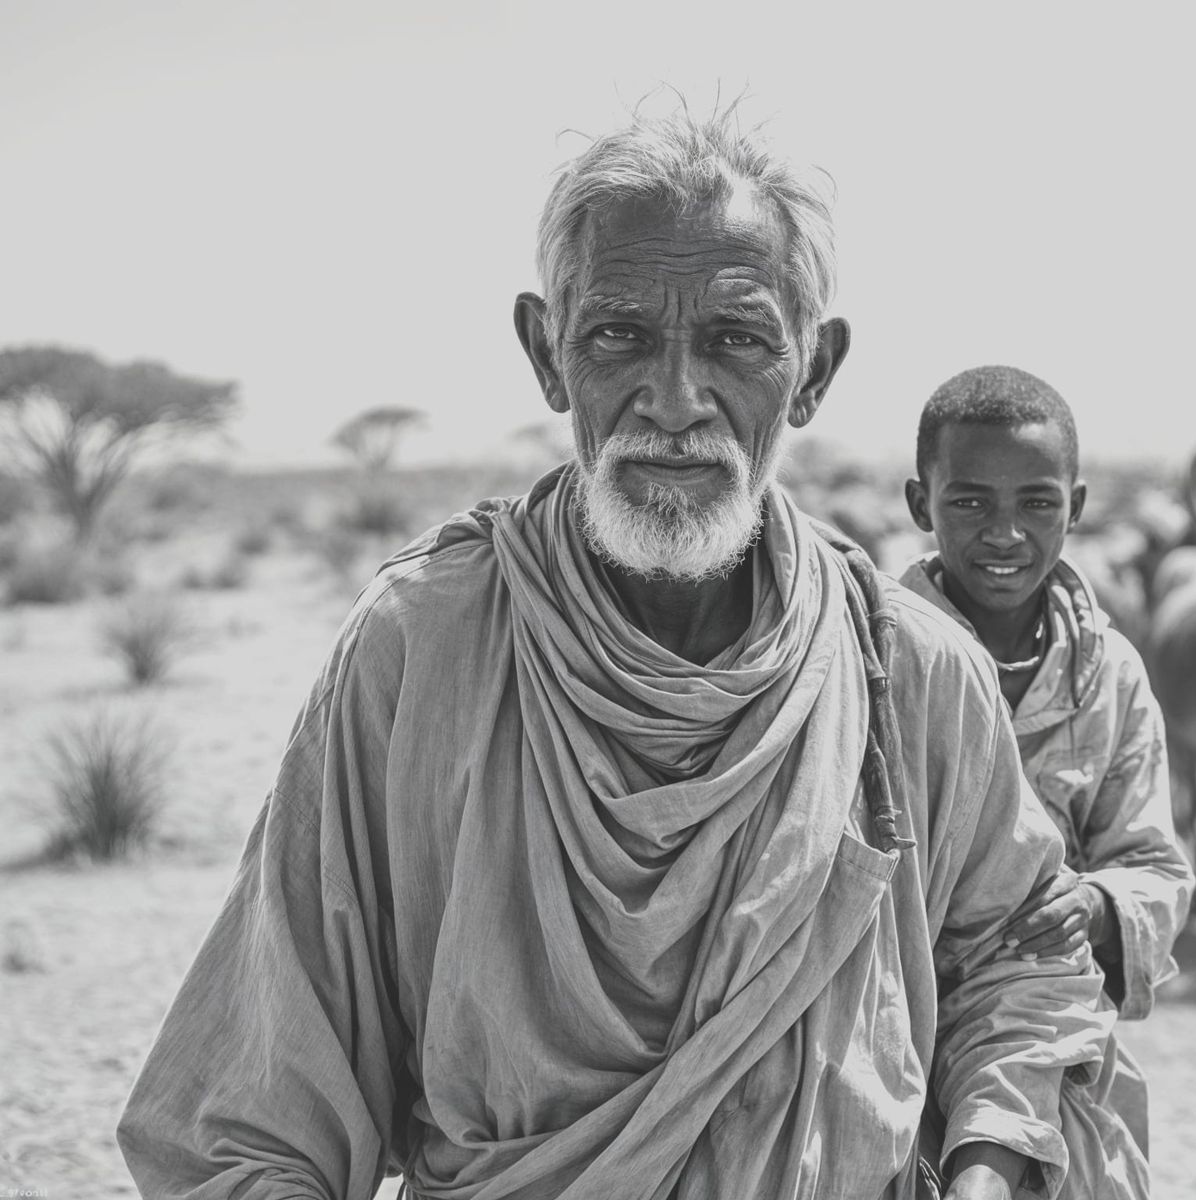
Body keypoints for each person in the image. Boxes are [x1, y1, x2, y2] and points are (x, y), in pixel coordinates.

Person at [118, 114, 1121, 1200]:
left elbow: (1023, 960)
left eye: (736, 341)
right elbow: (258, 1103)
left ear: (814, 370)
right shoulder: (425, 646)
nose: (676, 400)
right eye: (619, 337)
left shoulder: (910, 670)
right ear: (548, 354)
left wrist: (981, 1172)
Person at [900, 366, 1195, 1184]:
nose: (1004, 533)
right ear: (920, 504)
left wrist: (1096, 901)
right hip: (891, 990)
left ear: (1078, 508)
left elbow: (1154, 862)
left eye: (1036, 502)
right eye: (969, 502)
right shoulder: (875, 655)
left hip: (1046, 1005)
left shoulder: (1110, 674)